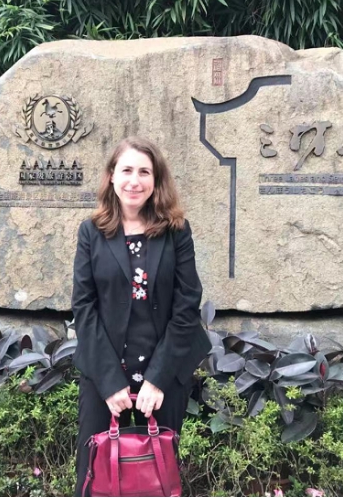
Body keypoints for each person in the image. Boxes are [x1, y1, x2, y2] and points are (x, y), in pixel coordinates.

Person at [72, 136, 211, 496]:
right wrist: (109, 382)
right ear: (112, 176)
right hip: (105, 369)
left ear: (156, 180)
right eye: (127, 170)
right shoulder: (91, 232)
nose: (135, 181)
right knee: (95, 474)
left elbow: (187, 304)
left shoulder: (176, 231)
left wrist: (157, 379)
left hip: (164, 370)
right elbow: (84, 307)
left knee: (156, 476)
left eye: (144, 172)